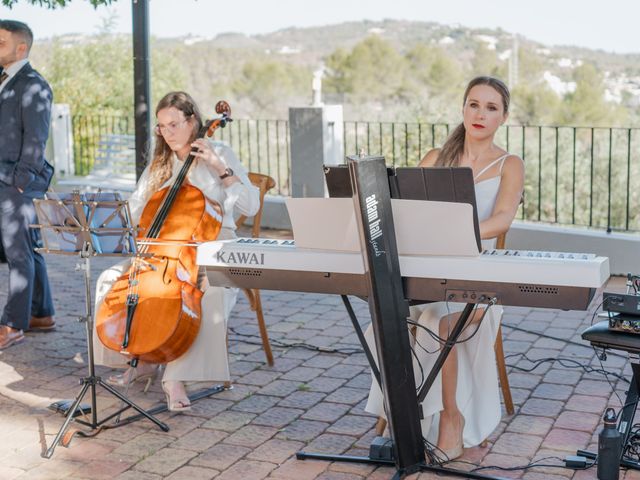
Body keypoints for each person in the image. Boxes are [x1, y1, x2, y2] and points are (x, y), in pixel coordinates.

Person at [364, 76, 524, 460]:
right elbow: (403, 211)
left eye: (490, 107)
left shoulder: (509, 164)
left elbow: (502, 220)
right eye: (473, 104)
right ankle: (403, 417)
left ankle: (452, 418)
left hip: (480, 279)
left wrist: (456, 234)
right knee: (383, 319)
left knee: (438, 320)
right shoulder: (436, 157)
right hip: (427, 275)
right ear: (463, 109)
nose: (480, 114)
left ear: (503, 117)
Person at [92, 91, 260, 411]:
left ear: (192, 121)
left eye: (173, 125)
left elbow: (250, 206)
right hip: (165, 247)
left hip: (216, 240)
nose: (167, 133)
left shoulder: (219, 151)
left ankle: (176, 376)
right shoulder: (161, 162)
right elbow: (136, 206)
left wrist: (219, 167)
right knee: (109, 279)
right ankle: (139, 357)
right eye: (161, 127)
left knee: (213, 291)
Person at [0, 20, 56, 350]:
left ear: (21, 48)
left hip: (19, 181)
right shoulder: (4, 80)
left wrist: (19, 183)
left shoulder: (34, 86)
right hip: (7, 179)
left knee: (17, 252)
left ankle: (13, 325)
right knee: (28, 248)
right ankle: (41, 313)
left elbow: (36, 139)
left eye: (1, 42)